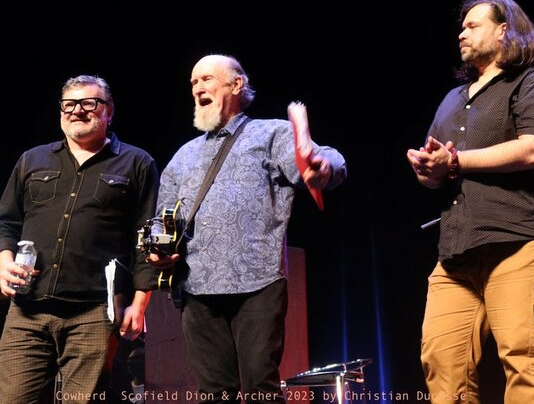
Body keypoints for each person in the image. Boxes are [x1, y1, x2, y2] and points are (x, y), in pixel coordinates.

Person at [150, 54, 346, 402]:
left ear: (236, 84)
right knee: (213, 393)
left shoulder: (270, 133)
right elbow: (161, 220)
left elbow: (326, 157)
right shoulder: (183, 155)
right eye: (194, 83)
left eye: (207, 79)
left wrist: (324, 168)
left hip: (257, 281)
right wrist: (159, 251)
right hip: (196, 287)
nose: (198, 88)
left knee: (260, 389)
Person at [406, 0, 534, 403]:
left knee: (523, 357)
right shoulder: (450, 99)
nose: (462, 32)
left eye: (473, 25)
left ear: (503, 31)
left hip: (516, 240)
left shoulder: (529, 82)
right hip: (456, 251)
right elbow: (440, 174)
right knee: (442, 363)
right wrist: (429, 171)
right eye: (461, 26)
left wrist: (455, 160)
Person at [0, 75, 158, 402]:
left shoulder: (137, 163)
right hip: (27, 311)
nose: (77, 111)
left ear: (109, 111)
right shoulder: (32, 160)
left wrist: (140, 303)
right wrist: (3, 261)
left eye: (89, 103)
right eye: (69, 104)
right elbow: (7, 222)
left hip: (95, 313)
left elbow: (147, 239)